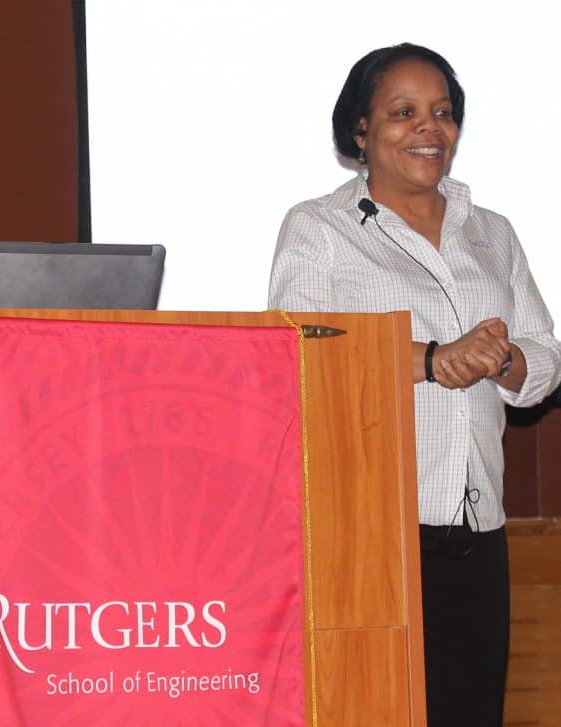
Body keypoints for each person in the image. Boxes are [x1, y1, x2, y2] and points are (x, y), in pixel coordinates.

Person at [268, 42, 561, 727]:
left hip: (477, 529)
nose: (430, 127)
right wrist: (432, 359)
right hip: (366, 534)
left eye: (443, 112)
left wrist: (501, 359)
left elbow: (545, 353)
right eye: (404, 112)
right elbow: (299, 351)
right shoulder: (320, 229)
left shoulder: (492, 233)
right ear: (360, 130)